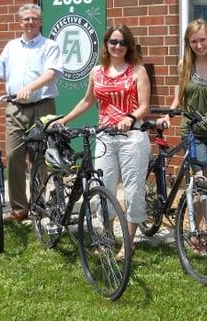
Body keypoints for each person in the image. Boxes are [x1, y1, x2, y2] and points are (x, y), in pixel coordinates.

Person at [56, 25, 150, 261]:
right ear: (106, 44)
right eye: (113, 42)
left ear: (128, 46)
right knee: (103, 188)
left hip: (132, 138)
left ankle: (128, 244)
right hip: (105, 137)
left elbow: (144, 107)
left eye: (122, 42)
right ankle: (108, 238)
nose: (117, 46)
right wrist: (65, 119)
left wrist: (130, 118)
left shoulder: (137, 71)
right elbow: (87, 101)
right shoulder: (97, 72)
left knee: (132, 191)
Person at [0, 3, 64, 223]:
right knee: (14, 156)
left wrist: (31, 87)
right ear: (20, 22)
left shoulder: (49, 46)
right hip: (15, 108)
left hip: (42, 107)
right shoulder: (11, 47)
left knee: (39, 158)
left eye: (34, 18)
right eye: (26, 19)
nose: (30, 22)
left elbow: (52, 72)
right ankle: (19, 208)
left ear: (40, 21)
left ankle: (38, 204)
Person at [160, 18, 207, 184]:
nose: (199, 45)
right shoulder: (184, 66)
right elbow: (180, 96)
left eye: (202, 40)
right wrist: (168, 115)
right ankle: (201, 209)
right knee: (204, 179)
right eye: (194, 41)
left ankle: (202, 211)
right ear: (188, 43)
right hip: (192, 131)